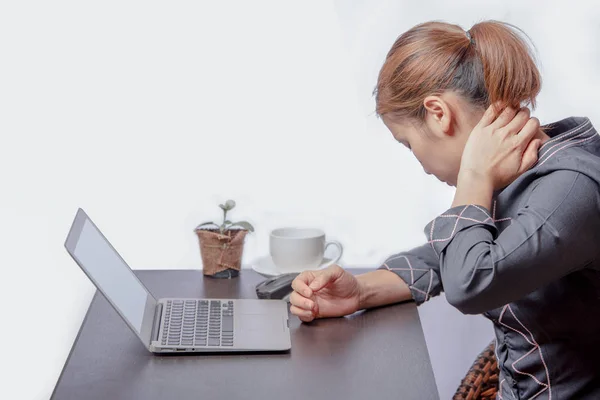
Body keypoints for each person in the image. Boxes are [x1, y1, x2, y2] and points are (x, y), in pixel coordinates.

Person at [290, 20, 600, 399]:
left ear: (438, 113)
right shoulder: (525, 172)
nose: (419, 163)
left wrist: (473, 175)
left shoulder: (571, 187)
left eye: (408, 144)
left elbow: (471, 281)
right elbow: (453, 256)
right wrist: (360, 292)